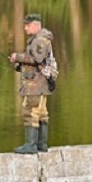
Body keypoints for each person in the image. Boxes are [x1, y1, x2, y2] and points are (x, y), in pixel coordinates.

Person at [9, 13, 54, 154]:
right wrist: (19, 64)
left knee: (30, 112)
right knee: (41, 113)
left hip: (35, 85)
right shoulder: (41, 39)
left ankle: (31, 145)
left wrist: (18, 57)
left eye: (27, 25)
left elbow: (37, 59)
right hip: (41, 84)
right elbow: (36, 62)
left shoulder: (39, 41)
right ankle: (42, 144)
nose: (25, 28)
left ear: (35, 25)